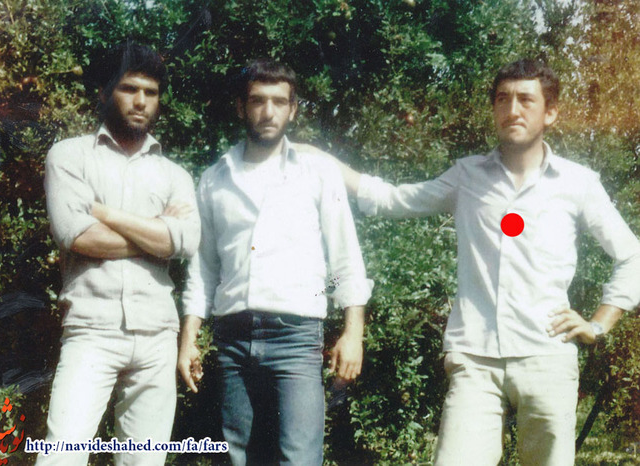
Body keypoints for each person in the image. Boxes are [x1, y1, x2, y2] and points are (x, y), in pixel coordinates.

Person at [331, 59, 640, 465]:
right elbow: (395, 199)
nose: (513, 110)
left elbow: (632, 256)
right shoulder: (467, 176)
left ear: (550, 113)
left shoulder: (578, 183)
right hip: (474, 358)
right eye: (502, 99)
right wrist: (325, 164)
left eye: (526, 100)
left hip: (547, 356)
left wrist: (598, 324)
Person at [178, 58, 372, 465]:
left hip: (296, 338)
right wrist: (189, 339)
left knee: (298, 458)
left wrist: (352, 332)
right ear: (241, 107)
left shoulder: (318, 171)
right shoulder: (215, 178)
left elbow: (344, 259)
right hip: (232, 339)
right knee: (236, 458)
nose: (268, 112)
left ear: (293, 110)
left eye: (279, 102)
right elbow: (204, 270)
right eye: (258, 101)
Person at [39, 41, 199, 465]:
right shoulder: (69, 156)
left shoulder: (175, 175)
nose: (141, 101)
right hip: (91, 330)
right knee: (61, 455)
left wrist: (105, 213)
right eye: (129, 88)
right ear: (104, 92)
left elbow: (186, 242)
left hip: (157, 336)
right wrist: (158, 233)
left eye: (151, 92)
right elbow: (78, 236)